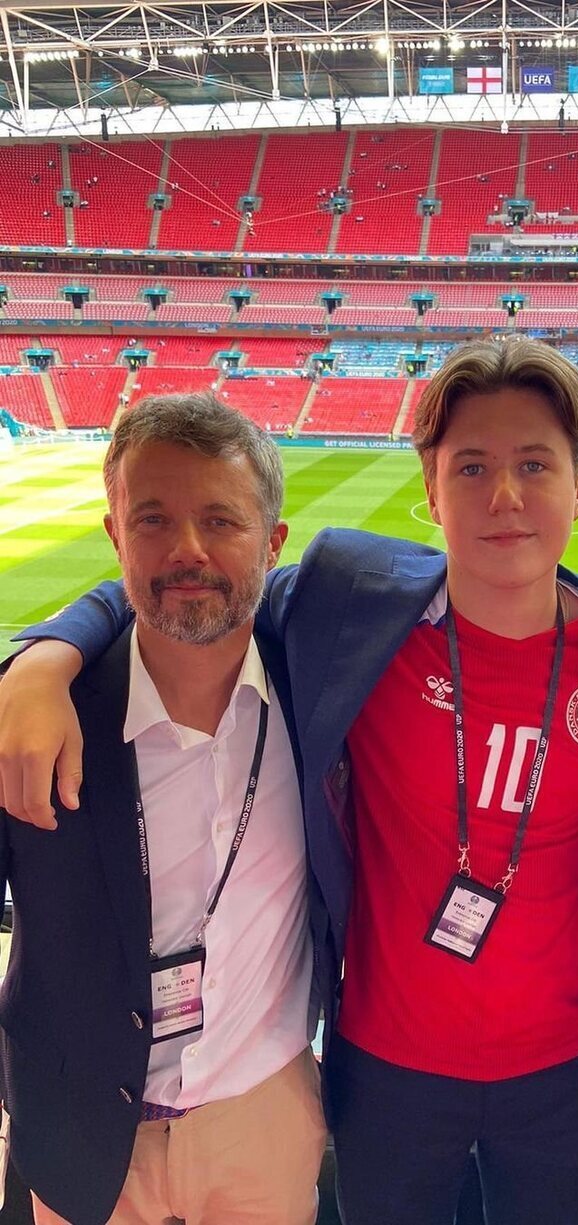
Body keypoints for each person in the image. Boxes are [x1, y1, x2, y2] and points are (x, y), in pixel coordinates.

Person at [0, 339, 578, 1225]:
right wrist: (41, 658)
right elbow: (176, 589)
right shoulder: (355, 614)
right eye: (472, 466)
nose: (503, 496)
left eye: (534, 464)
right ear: (430, 487)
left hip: (549, 1070)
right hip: (373, 1071)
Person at [0, 394, 327, 1225]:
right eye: (152, 519)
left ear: (274, 542)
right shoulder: (37, 717)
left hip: (263, 1117)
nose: (188, 551)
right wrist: (40, 661)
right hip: (80, 1140)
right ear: (114, 535)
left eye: (222, 520)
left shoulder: (318, 688)